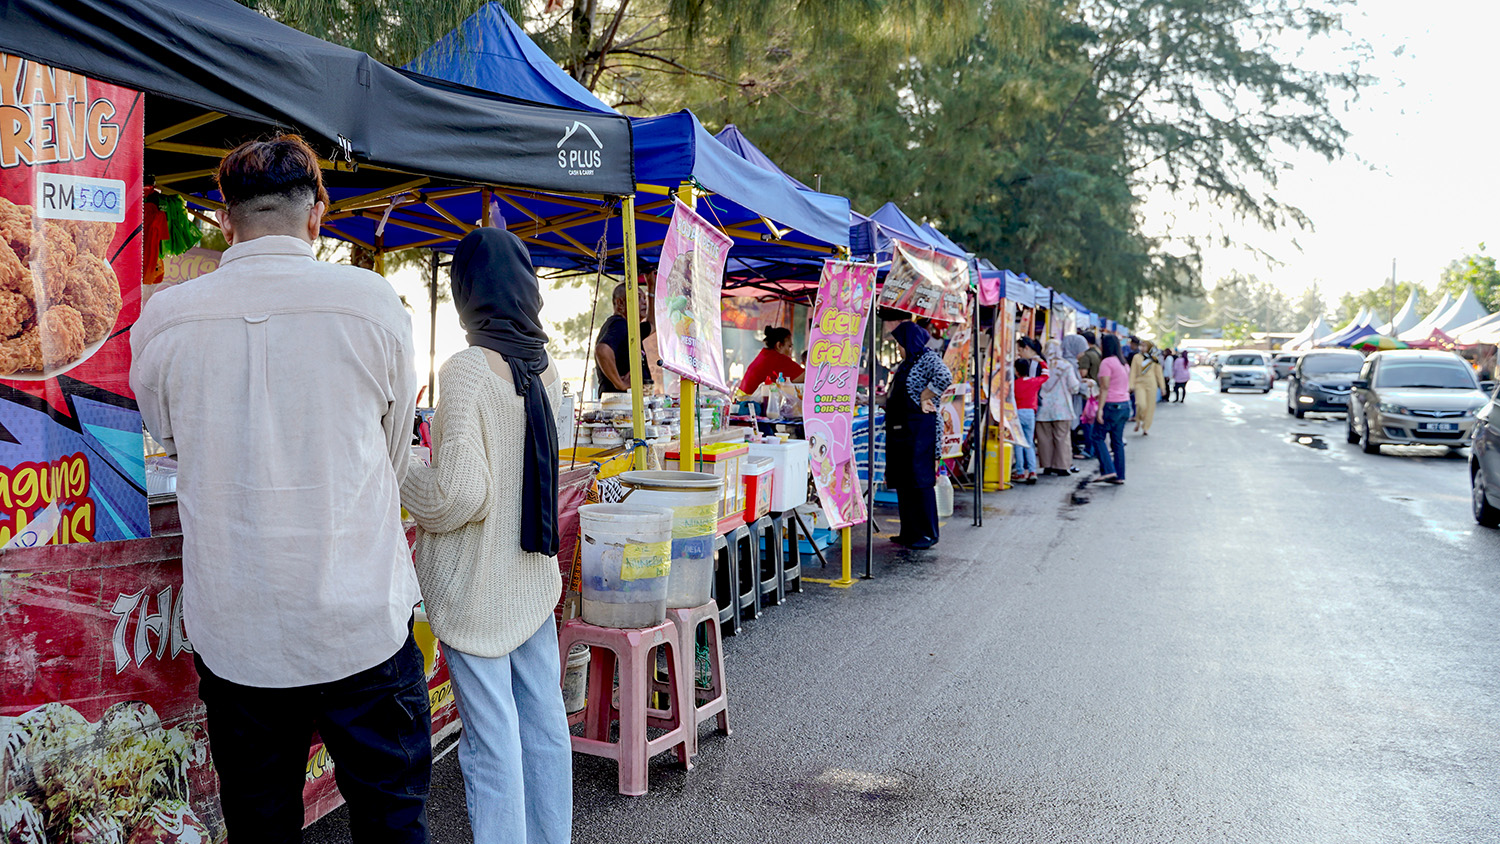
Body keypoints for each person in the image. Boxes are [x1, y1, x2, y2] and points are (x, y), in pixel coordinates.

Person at [130, 135, 429, 842]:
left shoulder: (167, 318)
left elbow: (167, 438)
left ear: (224, 222)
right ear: (317, 213)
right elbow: (392, 452)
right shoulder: (372, 301)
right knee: (391, 821)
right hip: (359, 621)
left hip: (239, 629)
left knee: (260, 826)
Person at [402, 228, 572, 844]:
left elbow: (458, 495)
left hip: (477, 583)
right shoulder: (546, 367)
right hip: (531, 578)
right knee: (545, 722)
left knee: (492, 738)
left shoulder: (469, 369)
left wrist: (404, 473)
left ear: (467, 293)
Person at [885, 320, 952, 549]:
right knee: (905, 482)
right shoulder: (906, 363)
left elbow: (945, 377)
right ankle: (909, 532)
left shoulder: (928, 358)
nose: (898, 349)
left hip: (921, 430)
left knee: (920, 481)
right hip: (904, 430)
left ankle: (926, 534)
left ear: (909, 342)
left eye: (900, 344)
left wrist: (925, 396)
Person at [594, 278, 654, 394]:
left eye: (644, 298)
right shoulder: (619, 324)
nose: (644, 302)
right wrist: (620, 384)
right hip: (619, 404)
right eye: (638, 298)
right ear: (620, 303)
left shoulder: (631, 329)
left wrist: (651, 288)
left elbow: (652, 324)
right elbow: (602, 350)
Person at [1036, 337, 1083, 476]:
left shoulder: (1040, 365)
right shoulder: (1066, 366)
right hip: (1061, 408)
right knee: (1062, 436)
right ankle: (1062, 466)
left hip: (1043, 407)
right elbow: (1074, 387)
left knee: (1044, 438)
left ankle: (1047, 465)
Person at [1092, 334, 1131, 485]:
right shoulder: (1123, 364)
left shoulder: (1106, 363)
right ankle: (1120, 475)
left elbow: (1105, 387)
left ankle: (1108, 470)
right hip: (1124, 404)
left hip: (1111, 405)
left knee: (1097, 436)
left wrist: (1100, 408)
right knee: (1117, 441)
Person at [738, 325, 805, 394]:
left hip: (740, 400)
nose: (791, 351)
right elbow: (806, 377)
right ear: (779, 345)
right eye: (789, 347)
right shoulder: (777, 358)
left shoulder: (765, 354)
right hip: (748, 402)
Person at [1012, 354, 1047, 484]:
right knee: (1029, 443)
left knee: (1019, 443)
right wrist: (1041, 362)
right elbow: (1046, 375)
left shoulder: (1014, 384)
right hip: (1030, 414)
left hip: (1017, 414)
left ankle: (1020, 472)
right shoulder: (1034, 382)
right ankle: (1032, 471)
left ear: (1016, 371)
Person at [1131, 340, 1166, 435]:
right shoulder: (1137, 357)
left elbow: (1159, 374)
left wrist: (1162, 387)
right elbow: (1133, 372)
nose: (1142, 348)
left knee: (1150, 406)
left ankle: (1146, 427)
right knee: (1140, 404)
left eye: (1144, 346)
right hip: (1139, 383)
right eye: (1141, 346)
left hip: (1151, 384)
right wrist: (1131, 385)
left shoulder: (1154, 358)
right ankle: (1138, 420)